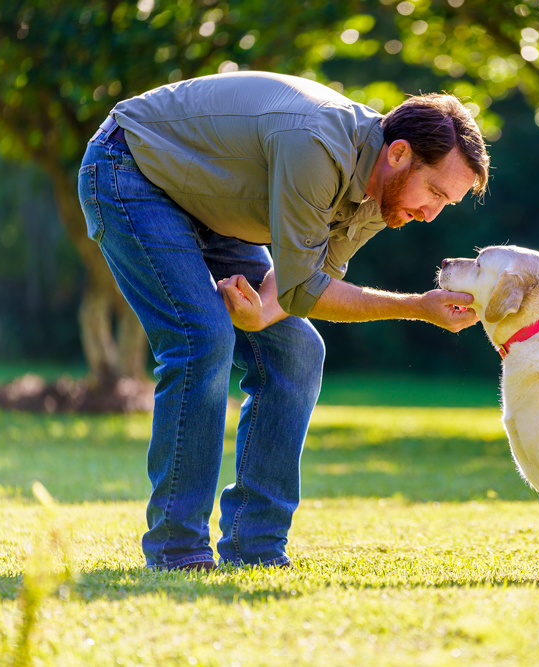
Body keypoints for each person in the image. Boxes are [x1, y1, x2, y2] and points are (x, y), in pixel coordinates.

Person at [77, 71, 489, 571]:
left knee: (297, 351)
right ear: (399, 153)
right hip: (131, 168)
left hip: (210, 204)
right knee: (201, 337)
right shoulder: (316, 146)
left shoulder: (383, 196)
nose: (430, 214)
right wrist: (418, 306)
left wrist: (260, 316)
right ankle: (176, 547)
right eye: (435, 192)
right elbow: (302, 290)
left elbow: (308, 280)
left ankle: (255, 547)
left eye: (446, 203)